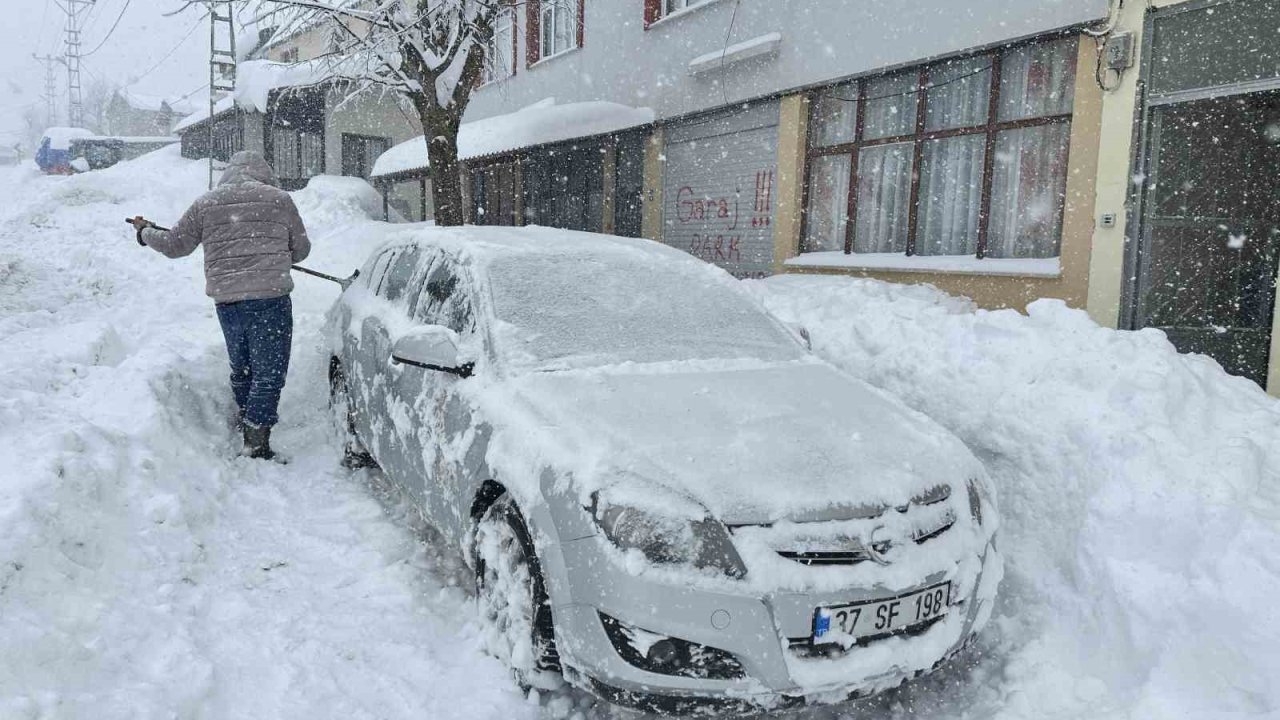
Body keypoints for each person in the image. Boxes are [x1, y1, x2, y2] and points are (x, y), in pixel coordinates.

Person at [128, 151, 311, 460]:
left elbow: (175, 245)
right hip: (270, 299)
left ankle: (246, 417)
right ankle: (257, 441)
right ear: (264, 174)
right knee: (269, 372)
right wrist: (276, 253)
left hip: (228, 302)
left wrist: (145, 233)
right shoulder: (279, 199)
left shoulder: (207, 203)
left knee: (243, 366)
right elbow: (301, 250)